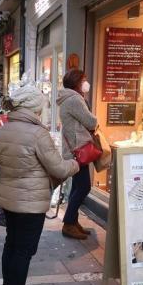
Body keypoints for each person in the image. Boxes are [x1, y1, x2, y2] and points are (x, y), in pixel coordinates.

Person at [0, 83, 80, 285]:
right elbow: (59, 168)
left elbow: (0, 162)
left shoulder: (4, 129)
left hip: (9, 196)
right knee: (24, 250)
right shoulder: (37, 133)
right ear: (34, 108)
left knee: (12, 244)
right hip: (30, 201)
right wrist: (76, 163)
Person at [57, 69, 98, 240]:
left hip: (75, 149)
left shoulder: (68, 98)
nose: (86, 82)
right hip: (79, 149)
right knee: (84, 187)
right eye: (84, 79)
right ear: (77, 82)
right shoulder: (74, 99)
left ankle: (73, 222)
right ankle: (68, 223)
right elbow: (91, 121)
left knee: (77, 186)